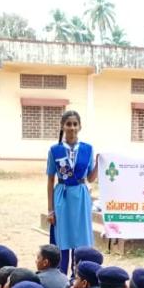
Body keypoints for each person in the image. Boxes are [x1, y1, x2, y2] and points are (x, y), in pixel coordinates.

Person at [46, 110, 98, 273]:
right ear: (63, 126)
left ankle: (79, 275)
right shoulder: (55, 150)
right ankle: (61, 275)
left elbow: (90, 178)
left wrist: (98, 164)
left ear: (80, 126)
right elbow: (50, 180)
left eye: (75, 124)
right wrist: (50, 210)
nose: (72, 128)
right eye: (68, 124)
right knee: (62, 237)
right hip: (62, 195)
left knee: (80, 238)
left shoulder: (88, 149)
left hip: (81, 196)